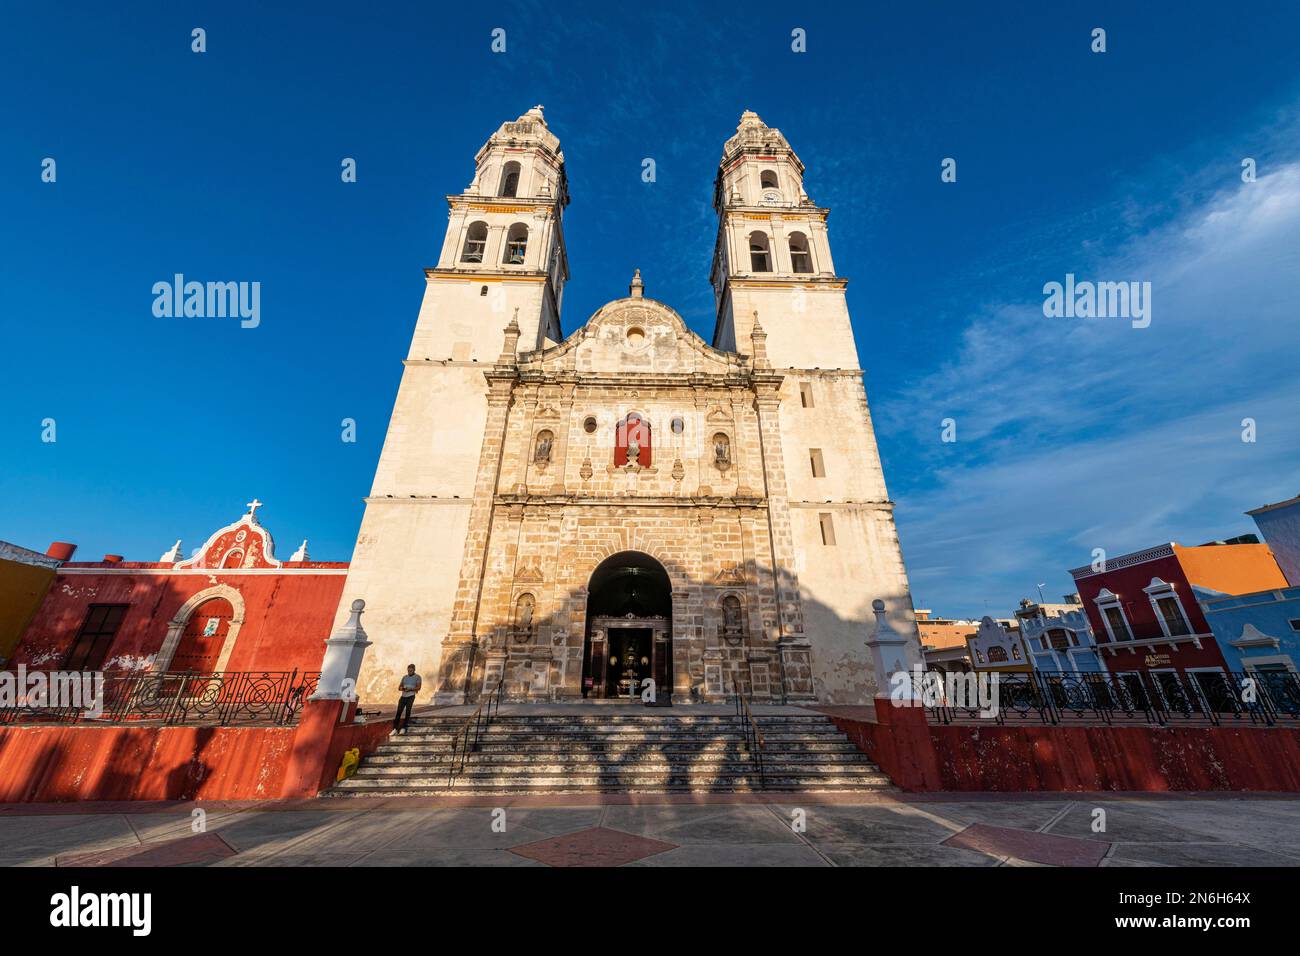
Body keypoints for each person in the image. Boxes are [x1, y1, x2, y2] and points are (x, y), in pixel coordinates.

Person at [394, 664, 421, 733]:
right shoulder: (404, 677)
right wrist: (402, 688)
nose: (409, 672)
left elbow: (418, 687)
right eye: (408, 670)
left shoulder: (417, 677)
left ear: (414, 670)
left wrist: (411, 689)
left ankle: (404, 727)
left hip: (411, 696)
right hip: (403, 696)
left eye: (411, 670)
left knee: (408, 711)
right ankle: (395, 728)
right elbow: (399, 687)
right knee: (398, 712)